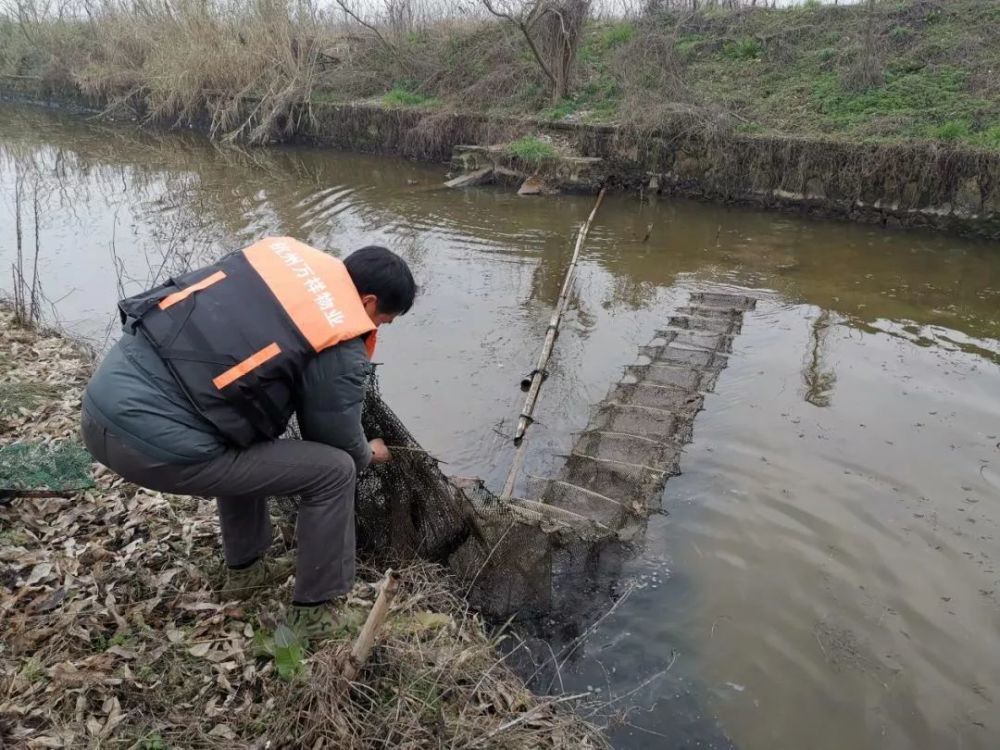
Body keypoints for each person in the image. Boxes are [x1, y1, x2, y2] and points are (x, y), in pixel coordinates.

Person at [80, 237, 416, 644]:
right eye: (382, 321)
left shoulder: (274, 261)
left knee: (250, 434)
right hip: (152, 449)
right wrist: (368, 453)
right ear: (367, 302)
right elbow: (335, 438)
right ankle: (315, 613)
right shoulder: (342, 336)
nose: (376, 329)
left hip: (98, 407)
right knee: (336, 472)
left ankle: (246, 571)